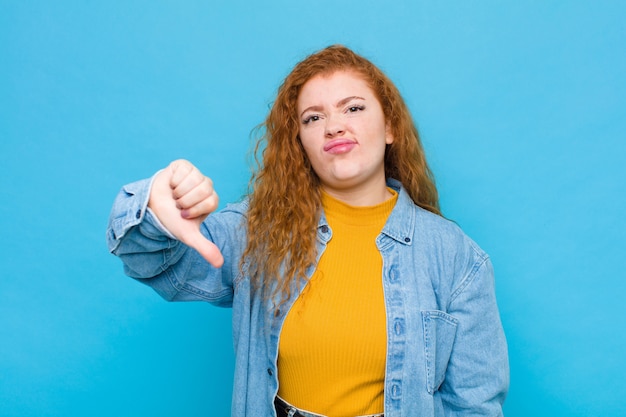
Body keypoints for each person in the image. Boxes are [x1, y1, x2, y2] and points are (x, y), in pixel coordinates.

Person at [106, 45, 509, 417]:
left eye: (353, 109)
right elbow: (159, 266)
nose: (333, 126)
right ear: (300, 142)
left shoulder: (457, 258)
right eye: (313, 117)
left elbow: (473, 404)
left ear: (391, 129)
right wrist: (157, 212)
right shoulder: (259, 229)